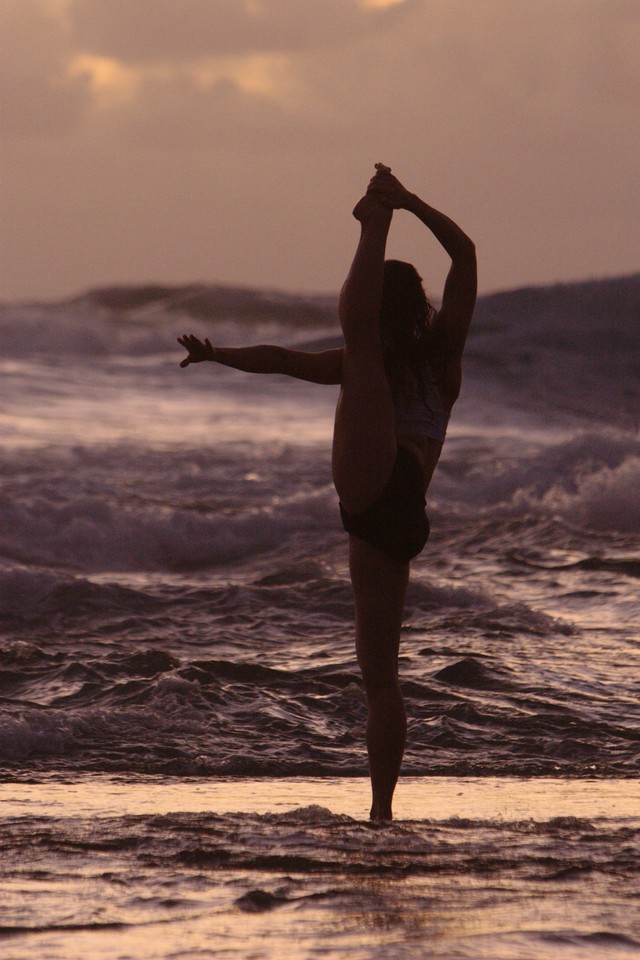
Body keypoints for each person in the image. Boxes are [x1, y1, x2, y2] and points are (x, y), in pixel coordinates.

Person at [178, 164, 477, 820]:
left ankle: (373, 226)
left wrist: (389, 209)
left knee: (359, 346)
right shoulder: (442, 362)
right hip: (403, 513)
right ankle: (381, 811)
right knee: (382, 681)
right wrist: (221, 354)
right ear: (418, 307)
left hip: (377, 492)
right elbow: (464, 254)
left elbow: (295, 356)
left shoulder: (366, 361)